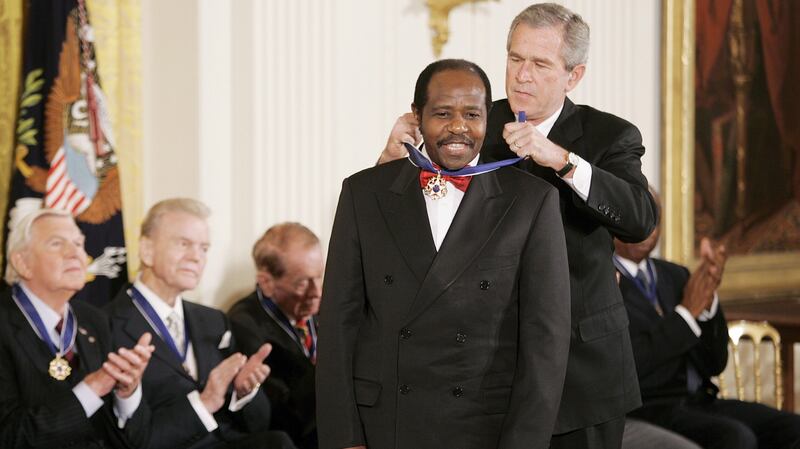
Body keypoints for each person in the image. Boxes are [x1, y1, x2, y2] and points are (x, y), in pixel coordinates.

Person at [377, 4, 658, 448]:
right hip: (481, 370)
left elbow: (639, 220)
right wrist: (390, 161)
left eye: (540, 63)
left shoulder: (610, 135)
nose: (521, 75)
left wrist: (561, 161)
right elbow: (405, 219)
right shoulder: (471, 123)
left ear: (574, 75)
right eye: (515, 58)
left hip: (580, 373)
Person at [317, 58, 571, 449]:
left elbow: (546, 343)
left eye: (472, 114)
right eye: (441, 113)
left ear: (488, 118)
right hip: (385, 426)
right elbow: (337, 325)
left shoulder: (531, 201)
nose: (458, 127)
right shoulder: (363, 193)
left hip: (483, 428)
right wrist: (344, 437)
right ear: (416, 116)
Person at [614, 191, 800, 449]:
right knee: (735, 438)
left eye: (653, 216)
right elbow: (634, 368)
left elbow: (714, 363)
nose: (647, 226)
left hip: (700, 401)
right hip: (649, 409)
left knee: (792, 428)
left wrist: (708, 304)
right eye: (638, 216)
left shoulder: (676, 275)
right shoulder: (606, 283)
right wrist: (686, 315)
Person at [106, 198, 296, 449]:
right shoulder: (106, 325)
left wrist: (243, 392)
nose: (196, 257)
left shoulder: (214, 321)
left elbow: (259, 424)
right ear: (146, 250)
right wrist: (204, 401)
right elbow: (126, 438)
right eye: (184, 244)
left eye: (204, 248)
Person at [0, 208, 153, 449]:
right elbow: (8, 438)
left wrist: (127, 394)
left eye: (79, 244)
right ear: (22, 262)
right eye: (56, 243)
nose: (75, 254)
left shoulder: (93, 319)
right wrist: (92, 389)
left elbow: (134, 439)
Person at [228, 222, 323, 449]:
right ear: (267, 283)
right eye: (302, 283)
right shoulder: (244, 325)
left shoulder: (327, 305)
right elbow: (281, 413)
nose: (316, 292)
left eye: (320, 276)